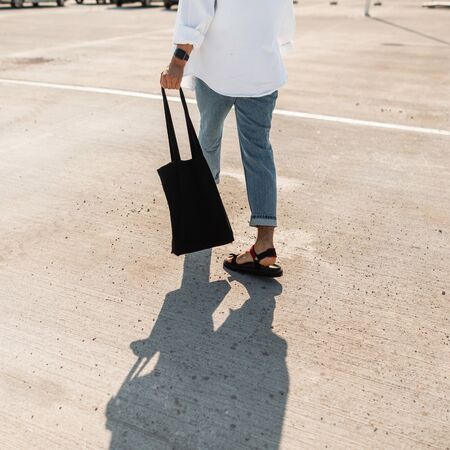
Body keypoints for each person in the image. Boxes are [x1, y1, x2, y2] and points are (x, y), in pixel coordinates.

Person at [160, 0, 296, 277]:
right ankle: (265, 245)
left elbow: (197, 11)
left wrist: (177, 62)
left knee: (208, 139)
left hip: (217, 72)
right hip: (262, 74)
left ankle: (203, 215)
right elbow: (283, 22)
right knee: (259, 152)